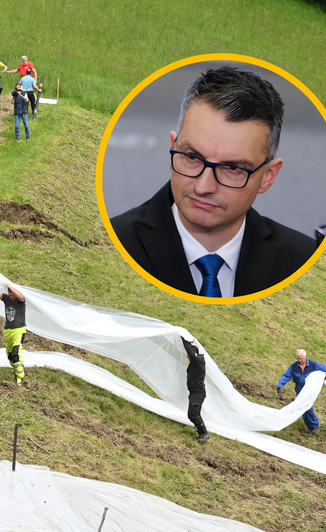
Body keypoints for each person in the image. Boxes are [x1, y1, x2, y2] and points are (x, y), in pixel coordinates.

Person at [110, 66, 317, 298]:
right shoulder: (112, 244)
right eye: (192, 157)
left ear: (268, 176)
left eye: (232, 168)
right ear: (173, 149)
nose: (203, 187)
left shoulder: (305, 262)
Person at [277, 349, 326, 435]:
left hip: (309, 390)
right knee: (302, 408)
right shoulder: (294, 367)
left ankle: (314, 425)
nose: (299, 360)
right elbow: (286, 375)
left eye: (301, 358)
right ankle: (312, 427)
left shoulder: (313, 365)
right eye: (298, 358)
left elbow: (324, 369)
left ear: (306, 357)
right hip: (299, 390)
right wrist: (280, 385)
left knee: (306, 406)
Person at [0, 283, 27, 386]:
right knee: (10, 356)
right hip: (8, 331)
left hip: (19, 330)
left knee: (16, 353)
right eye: (10, 295)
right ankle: (17, 370)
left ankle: (20, 377)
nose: (12, 297)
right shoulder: (6, 298)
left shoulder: (21, 301)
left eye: (13, 295)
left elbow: (21, 297)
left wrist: (12, 288)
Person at [183, 338, 209, 443]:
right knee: (194, 414)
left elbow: (189, 350)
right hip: (194, 393)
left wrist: (184, 338)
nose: (187, 356)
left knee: (193, 414)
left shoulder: (199, 362)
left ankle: (204, 433)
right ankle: (202, 431)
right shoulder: (196, 362)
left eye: (188, 354)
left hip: (198, 393)